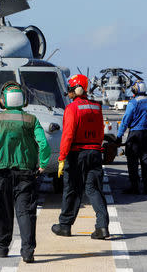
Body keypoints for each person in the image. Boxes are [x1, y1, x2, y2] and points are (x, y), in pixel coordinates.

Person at [0, 81, 51, 263]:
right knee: (25, 212)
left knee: (2, 210)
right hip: (26, 172)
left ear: (3, 100)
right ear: (23, 100)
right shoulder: (32, 120)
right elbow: (44, 144)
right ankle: (28, 251)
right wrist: (43, 164)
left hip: (2, 171)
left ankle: (0, 248)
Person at [51, 74, 110, 240]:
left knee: (72, 190)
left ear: (77, 90)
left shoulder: (72, 109)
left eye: (70, 89)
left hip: (77, 154)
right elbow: (100, 133)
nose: (68, 92)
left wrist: (62, 157)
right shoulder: (97, 107)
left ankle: (64, 226)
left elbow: (68, 135)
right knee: (94, 189)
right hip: (95, 152)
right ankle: (102, 226)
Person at [116, 80, 147, 195]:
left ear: (136, 89)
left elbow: (126, 120)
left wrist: (119, 136)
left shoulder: (133, 103)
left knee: (133, 161)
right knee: (146, 160)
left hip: (135, 134)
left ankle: (135, 187)